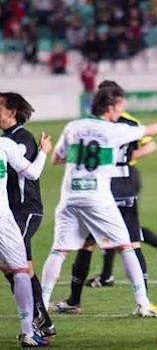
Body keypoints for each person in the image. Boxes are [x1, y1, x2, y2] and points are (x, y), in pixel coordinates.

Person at [40, 82, 157, 316]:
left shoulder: (74, 126)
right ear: (110, 107)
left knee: (59, 250)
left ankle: (40, 303)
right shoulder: (114, 130)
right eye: (120, 108)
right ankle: (143, 304)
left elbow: (56, 159)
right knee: (125, 246)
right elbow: (150, 131)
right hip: (97, 198)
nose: (120, 113)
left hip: (70, 197)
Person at [0, 92, 56, 338]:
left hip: (25, 209)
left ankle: (37, 320)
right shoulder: (6, 140)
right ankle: (42, 320)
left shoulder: (20, 139)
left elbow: (30, 172)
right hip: (10, 212)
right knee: (18, 266)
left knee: (18, 265)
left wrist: (44, 152)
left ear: (11, 112)